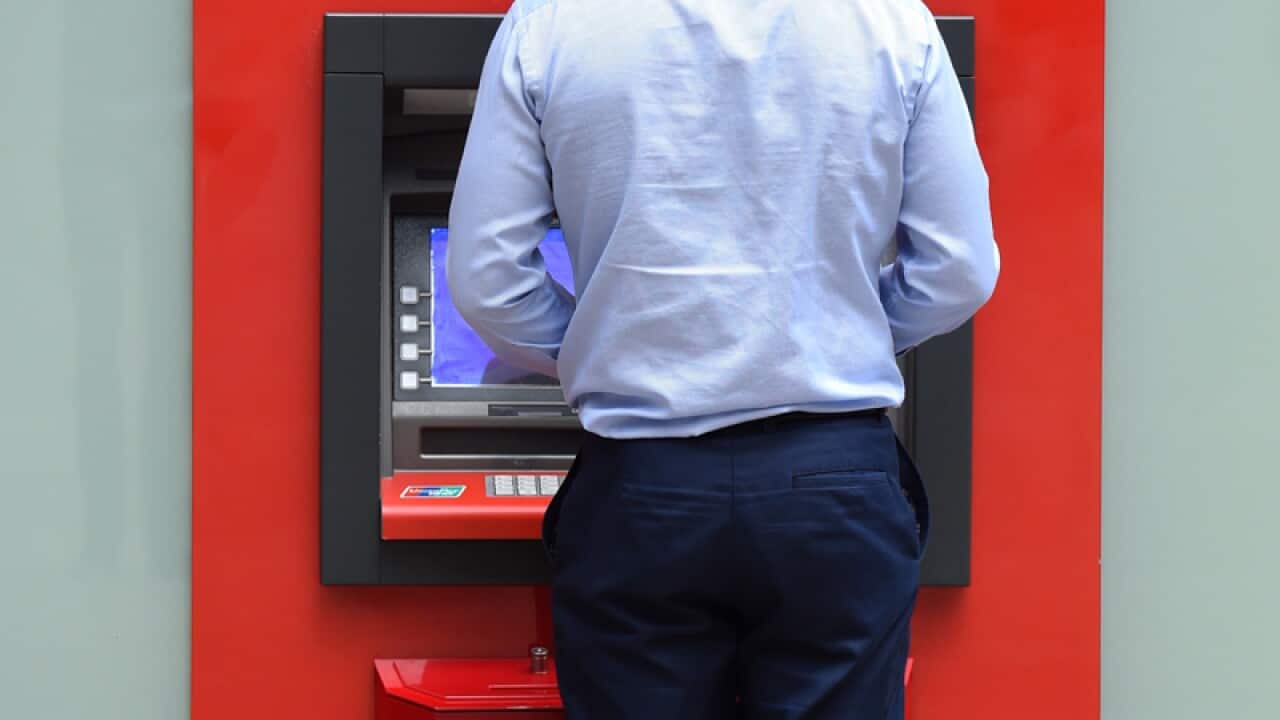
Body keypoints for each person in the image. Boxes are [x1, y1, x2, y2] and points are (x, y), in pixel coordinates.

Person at [447, 1, 998, 717]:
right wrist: (833, 333)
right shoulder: (890, 18)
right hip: (834, 487)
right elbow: (957, 269)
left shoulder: (552, 20)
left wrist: (605, 346)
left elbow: (488, 280)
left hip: (643, 488)